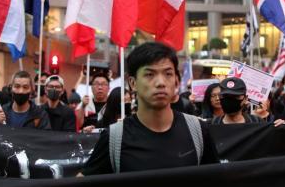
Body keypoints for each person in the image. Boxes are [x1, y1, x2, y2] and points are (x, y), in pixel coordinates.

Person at [82, 42, 218, 175]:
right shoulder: (114, 138)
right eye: (149, 74)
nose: (161, 83)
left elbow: (217, 183)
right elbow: (79, 186)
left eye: (168, 74)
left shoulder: (198, 131)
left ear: (176, 81)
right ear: (133, 83)